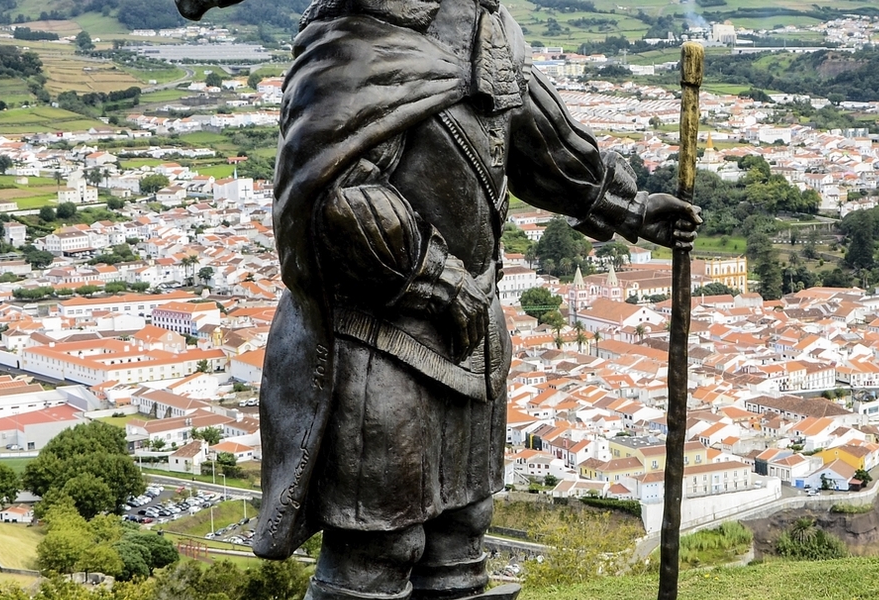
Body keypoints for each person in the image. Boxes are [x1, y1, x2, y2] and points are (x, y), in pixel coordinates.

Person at [175, 0, 702, 597]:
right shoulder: (354, 46)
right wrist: (438, 282)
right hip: (377, 342)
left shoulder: (487, 29)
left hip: (474, 340)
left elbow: (529, 137)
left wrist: (626, 208)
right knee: (377, 545)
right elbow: (336, 196)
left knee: (461, 532)